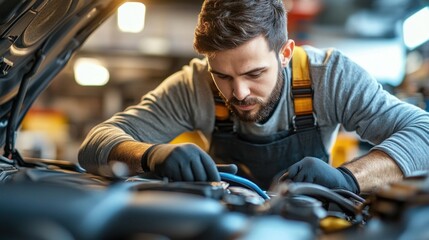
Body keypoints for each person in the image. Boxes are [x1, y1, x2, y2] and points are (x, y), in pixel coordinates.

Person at [78, 0, 429, 193]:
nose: (239, 92)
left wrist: (350, 178)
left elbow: (423, 133)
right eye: (223, 76)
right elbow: (95, 143)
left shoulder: (329, 77)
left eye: (254, 74)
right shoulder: (193, 85)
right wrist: (151, 155)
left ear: (286, 53)